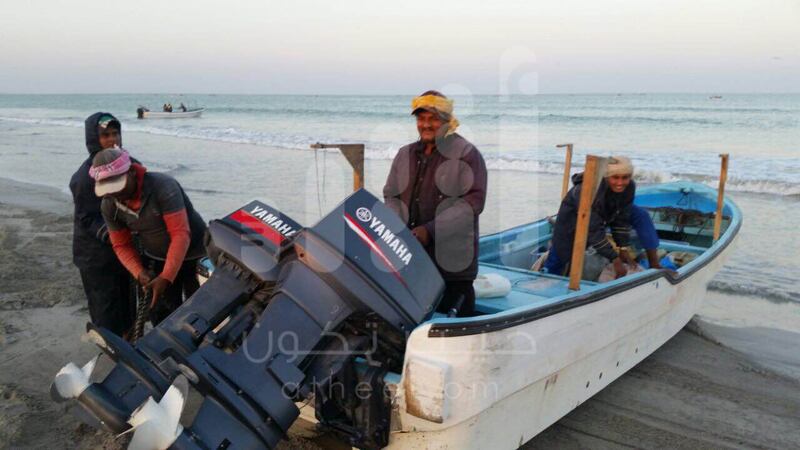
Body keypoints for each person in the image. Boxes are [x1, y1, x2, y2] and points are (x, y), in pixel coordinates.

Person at [384, 90, 487, 317]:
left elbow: (472, 204)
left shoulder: (467, 154)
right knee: (413, 322)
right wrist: (396, 225)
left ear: (448, 120)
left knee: (456, 327)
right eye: (421, 118)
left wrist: (429, 231)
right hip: (410, 260)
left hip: (452, 268)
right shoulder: (404, 154)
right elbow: (391, 195)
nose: (426, 125)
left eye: (433, 118)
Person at [90, 148, 207, 324]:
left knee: (201, 310)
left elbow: (180, 234)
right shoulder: (109, 204)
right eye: (109, 190)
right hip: (157, 256)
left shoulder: (163, 187)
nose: (115, 194)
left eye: (118, 186)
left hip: (196, 253)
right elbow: (121, 245)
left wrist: (166, 276)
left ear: (131, 172)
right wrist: (139, 272)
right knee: (161, 313)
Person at [69, 113, 134, 337]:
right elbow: (87, 218)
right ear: (94, 139)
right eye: (105, 135)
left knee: (128, 302)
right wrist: (114, 235)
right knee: (105, 306)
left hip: (123, 250)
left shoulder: (129, 164)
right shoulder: (83, 178)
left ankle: (130, 339)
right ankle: (109, 344)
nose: (112, 139)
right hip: (95, 255)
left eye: (115, 133)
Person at [544, 156, 636, 280]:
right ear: (607, 177)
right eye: (615, 177)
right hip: (568, 226)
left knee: (581, 259)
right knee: (559, 258)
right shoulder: (587, 190)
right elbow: (593, 228)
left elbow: (621, 218)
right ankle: (548, 279)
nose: (620, 183)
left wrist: (623, 248)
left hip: (594, 224)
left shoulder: (629, 188)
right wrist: (615, 258)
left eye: (625, 178)